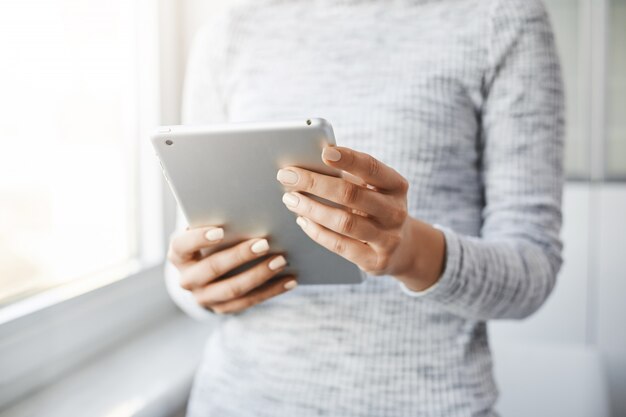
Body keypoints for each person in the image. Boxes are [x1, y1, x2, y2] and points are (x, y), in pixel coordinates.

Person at [165, 0, 564, 415]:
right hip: (237, 400)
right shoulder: (230, 32)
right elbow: (189, 256)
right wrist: (199, 284)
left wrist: (411, 253)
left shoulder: (499, 19)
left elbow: (533, 269)